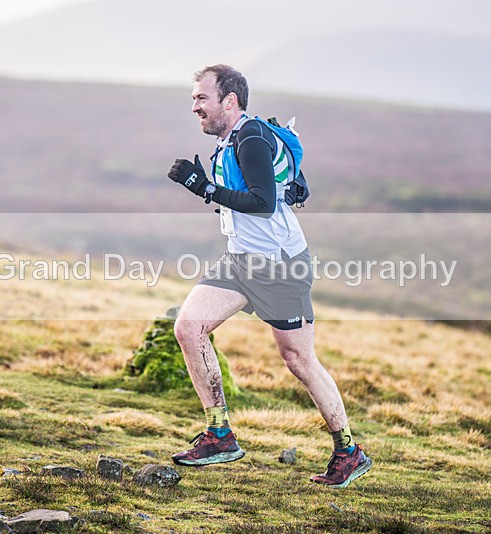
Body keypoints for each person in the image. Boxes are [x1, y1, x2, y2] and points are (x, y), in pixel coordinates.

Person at [166, 64, 371, 488]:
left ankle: (349, 451)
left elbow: (260, 202)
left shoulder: (251, 137)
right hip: (241, 260)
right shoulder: (232, 141)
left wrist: (204, 189)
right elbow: (289, 185)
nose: (195, 107)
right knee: (188, 327)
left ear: (230, 100)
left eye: (201, 98)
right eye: (194, 99)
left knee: (299, 360)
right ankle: (220, 435)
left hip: (280, 266)